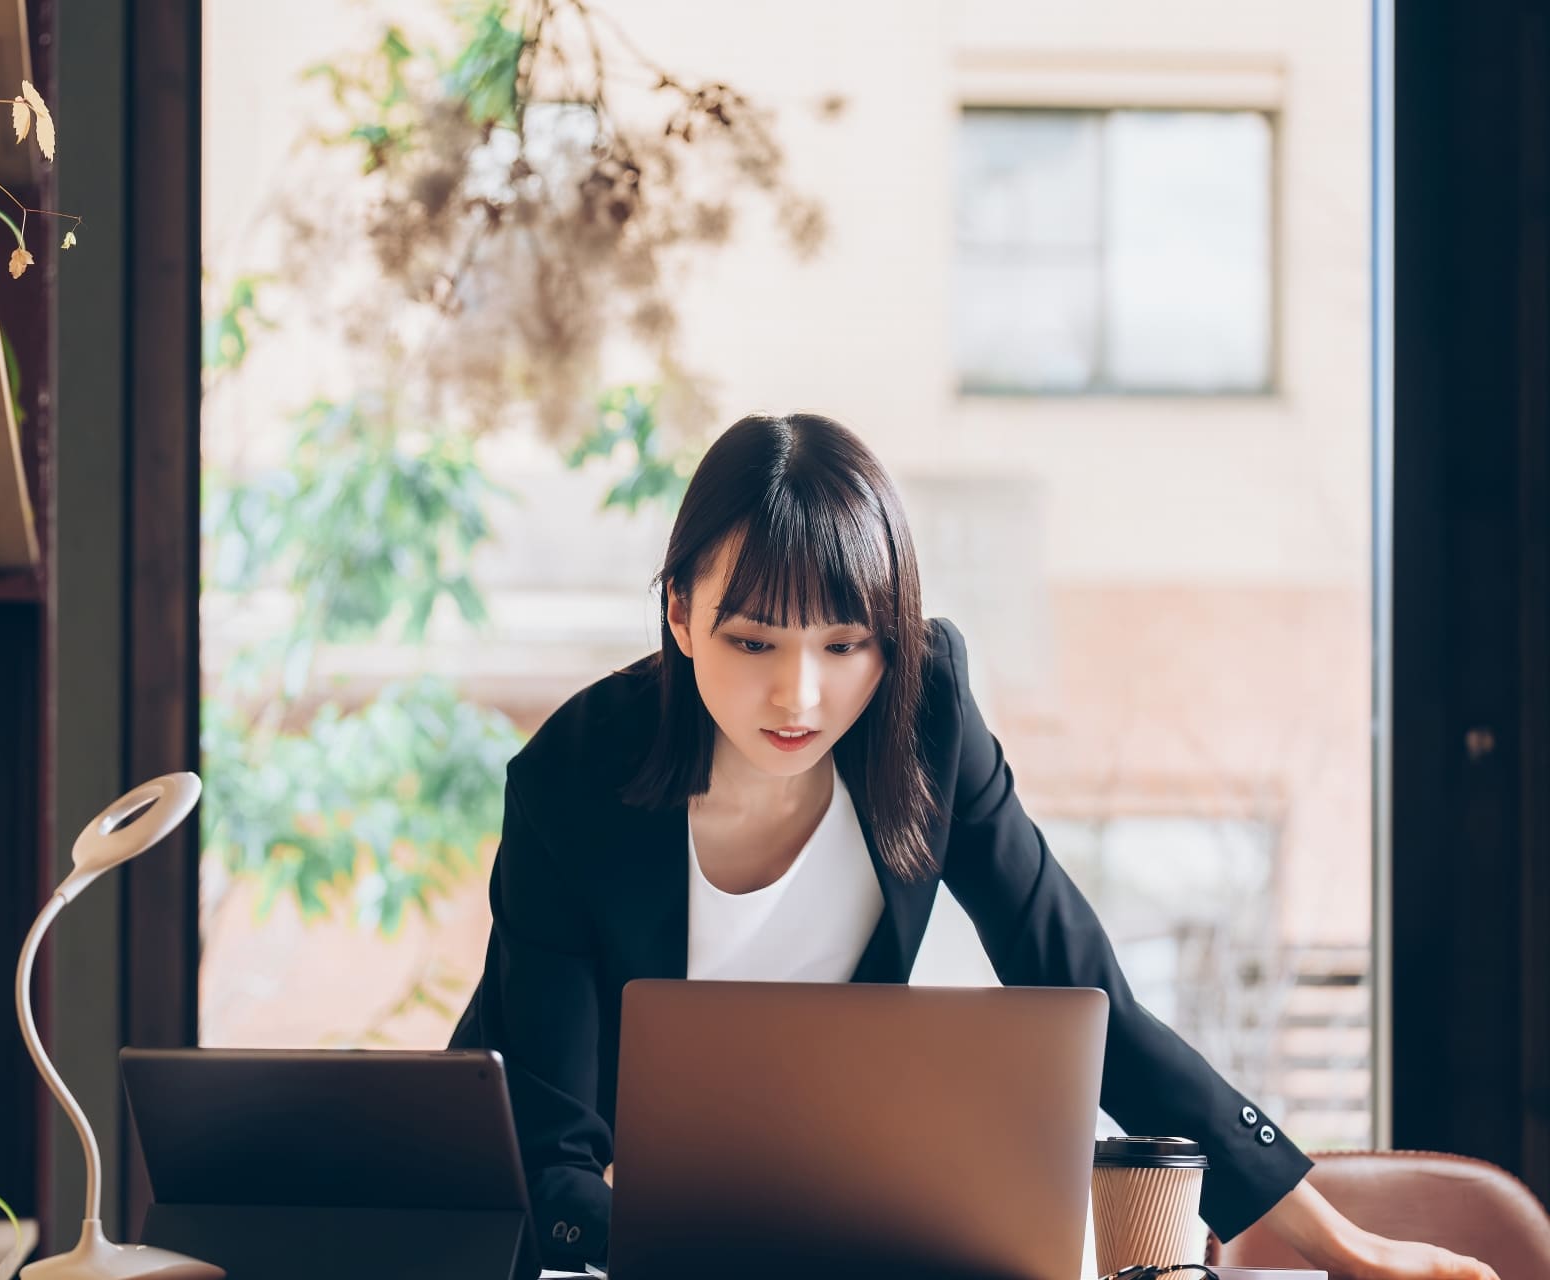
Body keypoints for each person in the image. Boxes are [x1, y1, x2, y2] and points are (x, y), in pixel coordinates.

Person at [449, 413, 1497, 1279]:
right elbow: (555, 1161)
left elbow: (1090, 999)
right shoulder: (572, 781)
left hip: (819, 1221)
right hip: (555, 1241)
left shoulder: (927, 718)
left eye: (845, 644)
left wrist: (1348, 1247)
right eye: (753, 639)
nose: (799, 695)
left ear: (892, 636)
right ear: (679, 612)